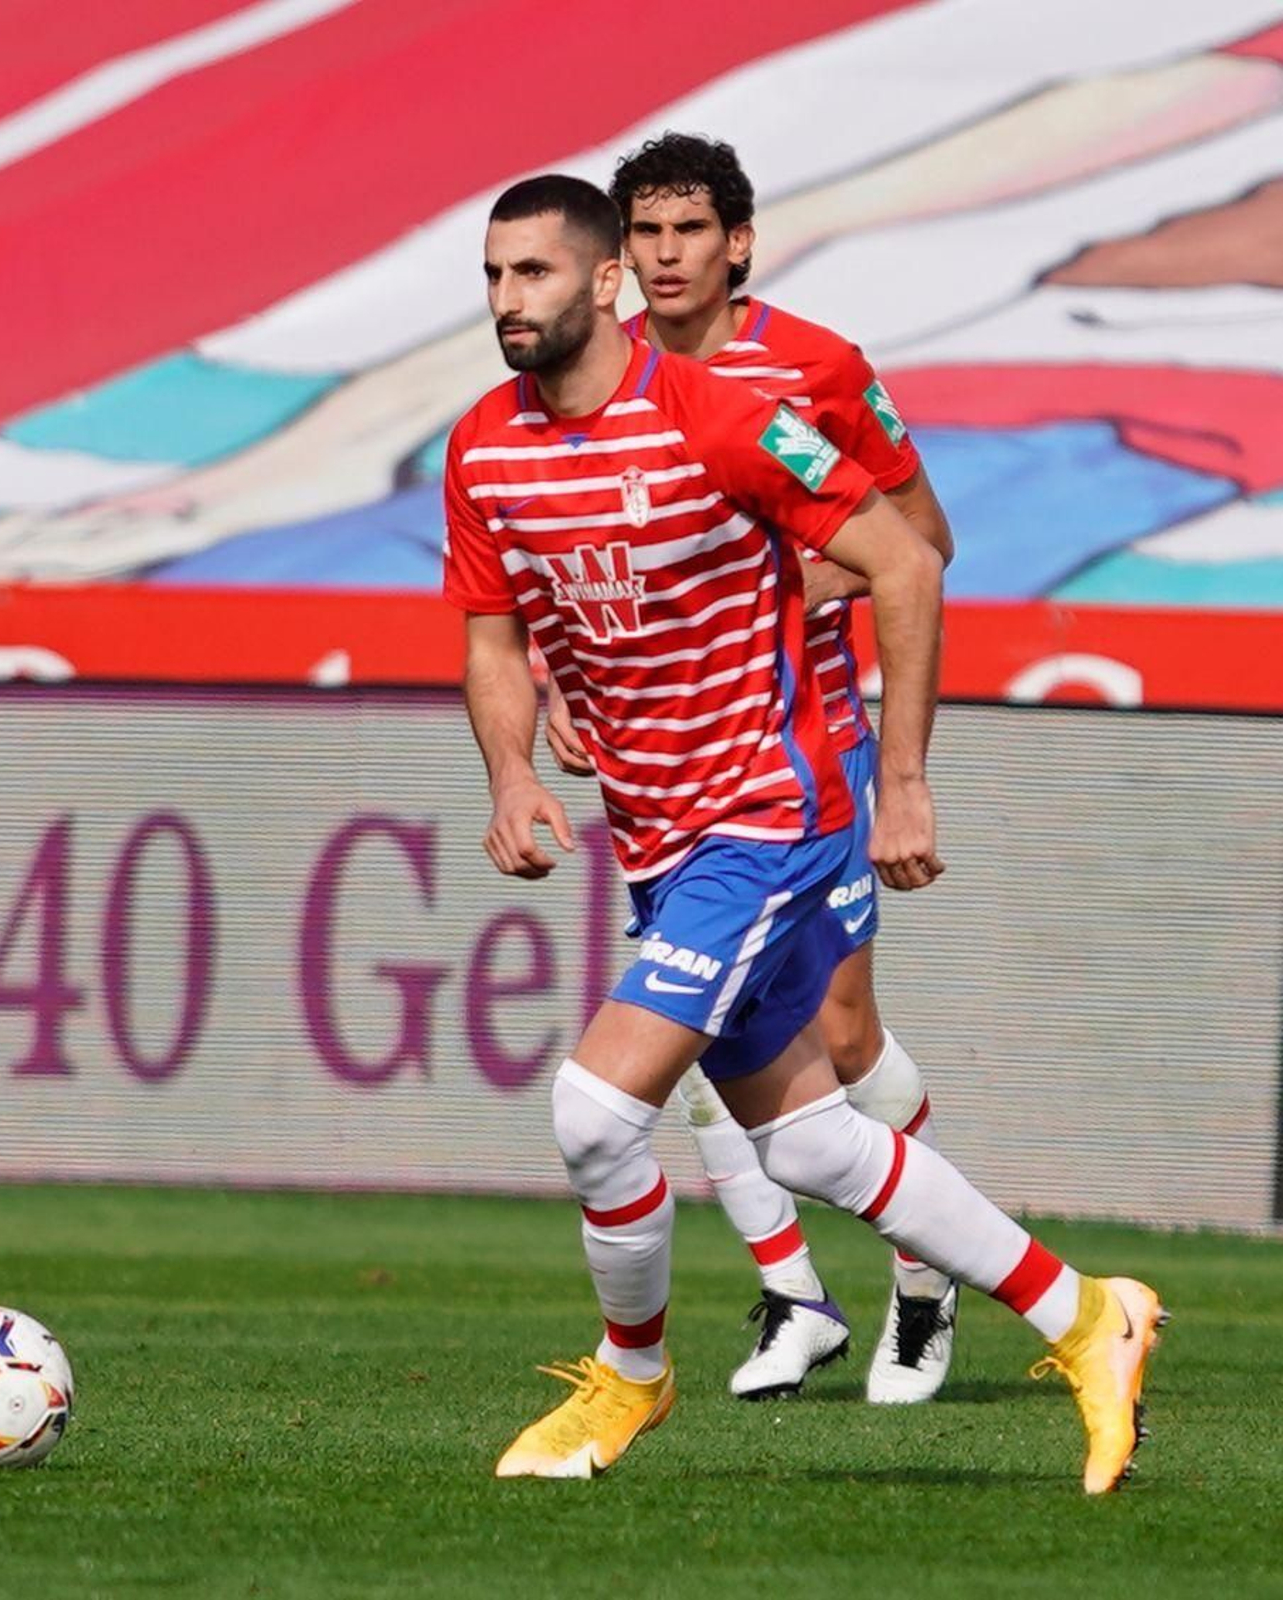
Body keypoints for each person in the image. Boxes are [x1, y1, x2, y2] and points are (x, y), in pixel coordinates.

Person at [442, 172, 1163, 1492]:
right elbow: (492, 635)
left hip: (768, 818)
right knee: (814, 1142)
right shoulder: (483, 446)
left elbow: (907, 559)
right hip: (656, 842)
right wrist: (509, 768)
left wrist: (903, 782)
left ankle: (631, 1383)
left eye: (532, 273)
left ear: (604, 286)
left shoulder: (728, 421)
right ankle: (1088, 1315)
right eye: (492, 277)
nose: (506, 300)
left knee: (598, 1112)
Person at [543, 132, 958, 1405]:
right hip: (669, 759)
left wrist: (773, 587)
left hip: (803, 744)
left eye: (689, 233)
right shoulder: (583, 382)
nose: (666, 258)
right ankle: (793, 1295)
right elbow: (573, 562)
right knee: (711, 1034)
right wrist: (569, 675)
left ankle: (927, 1278)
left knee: (834, 1030)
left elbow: (921, 539)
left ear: (737, 244)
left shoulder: (815, 368)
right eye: (646, 235)